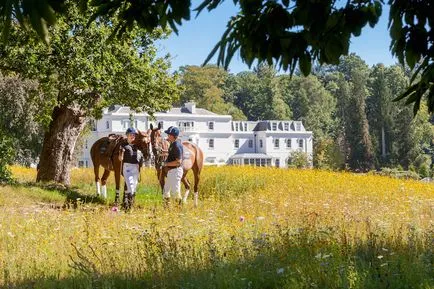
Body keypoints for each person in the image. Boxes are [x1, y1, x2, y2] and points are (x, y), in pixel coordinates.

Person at [121, 127, 144, 209]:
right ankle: (130, 207)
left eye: (133, 135)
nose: (132, 136)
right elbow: (120, 159)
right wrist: (121, 153)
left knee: (133, 188)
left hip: (136, 168)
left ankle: (126, 205)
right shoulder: (123, 146)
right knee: (130, 186)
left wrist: (141, 157)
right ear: (127, 135)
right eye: (131, 134)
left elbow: (140, 159)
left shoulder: (136, 147)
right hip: (127, 168)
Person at [161, 126, 183, 206]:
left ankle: (179, 210)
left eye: (169, 134)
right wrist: (163, 153)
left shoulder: (176, 146)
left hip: (176, 171)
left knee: (175, 192)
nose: (167, 136)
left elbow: (178, 162)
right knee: (166, 190)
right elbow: (171, 155)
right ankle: (166, 208)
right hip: (171, 171)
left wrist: (165, 164)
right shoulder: (172, 144)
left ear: (173, 136)